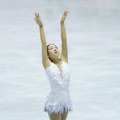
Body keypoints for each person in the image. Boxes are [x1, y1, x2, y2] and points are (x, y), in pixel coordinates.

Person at [34, 10, 73, 120]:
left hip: (66, 100)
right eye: (51, 48)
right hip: (54, 101)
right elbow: (43, 43)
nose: (55, 49)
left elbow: (64, 40)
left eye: (56, 47)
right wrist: (41, 26)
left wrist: (62, 23)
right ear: (48, 55)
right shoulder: (47, 64)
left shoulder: (64, 59)